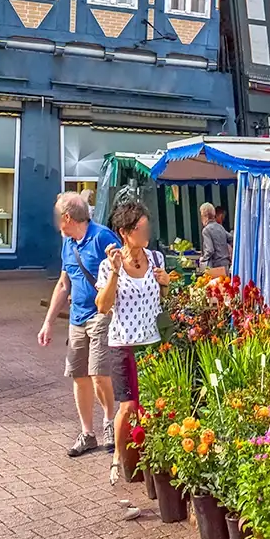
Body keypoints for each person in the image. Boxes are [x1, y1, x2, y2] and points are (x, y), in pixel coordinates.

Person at [96, 198, 169, 519]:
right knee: (127, 406)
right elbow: (102, 306)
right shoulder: (108, 264)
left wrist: (165, 286)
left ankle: (153, 462)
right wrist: (113, 274)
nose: (147, 231)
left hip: (154, 344)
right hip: (124, 343)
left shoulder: (155, 258)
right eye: (141, 227)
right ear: (125, 233)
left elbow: (161, 301)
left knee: (154, 406)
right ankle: (124, 462)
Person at [39, 191, 121, 457]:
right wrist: (48, 322)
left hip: (101, 314)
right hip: (77, 317)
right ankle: (88, 433)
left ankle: (110, 421)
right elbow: (64, 284)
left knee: (99, 374)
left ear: (66, 217)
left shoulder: (102, 237)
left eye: (56, 215)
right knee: (79, 375)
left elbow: (120, 274)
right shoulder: (68, 244)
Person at [197, 201, 232, 271]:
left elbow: (210, 250)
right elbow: (231, 238)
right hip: (226, 265)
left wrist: (202, 259)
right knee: (226, 282)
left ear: (205, 216)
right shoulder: (220, 227)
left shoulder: (206, 230)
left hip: (216, 266)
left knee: (216, 282)